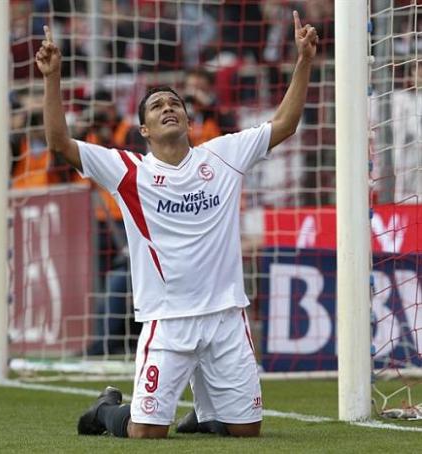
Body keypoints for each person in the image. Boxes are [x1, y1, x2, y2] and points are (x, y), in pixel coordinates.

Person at [36, 9, 318, 438]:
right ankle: (107, 409)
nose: (168, 108)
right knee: (146, 433)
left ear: (188, 121)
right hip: (168, 320)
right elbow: (58, 142)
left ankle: (203, 417)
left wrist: (303, 61)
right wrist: (52, 77)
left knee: (245, 432)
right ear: (144, 129)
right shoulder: (127, 170)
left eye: (175, 104)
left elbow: (285, 123)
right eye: (157, 106)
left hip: (226, 314)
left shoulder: (224, 154)